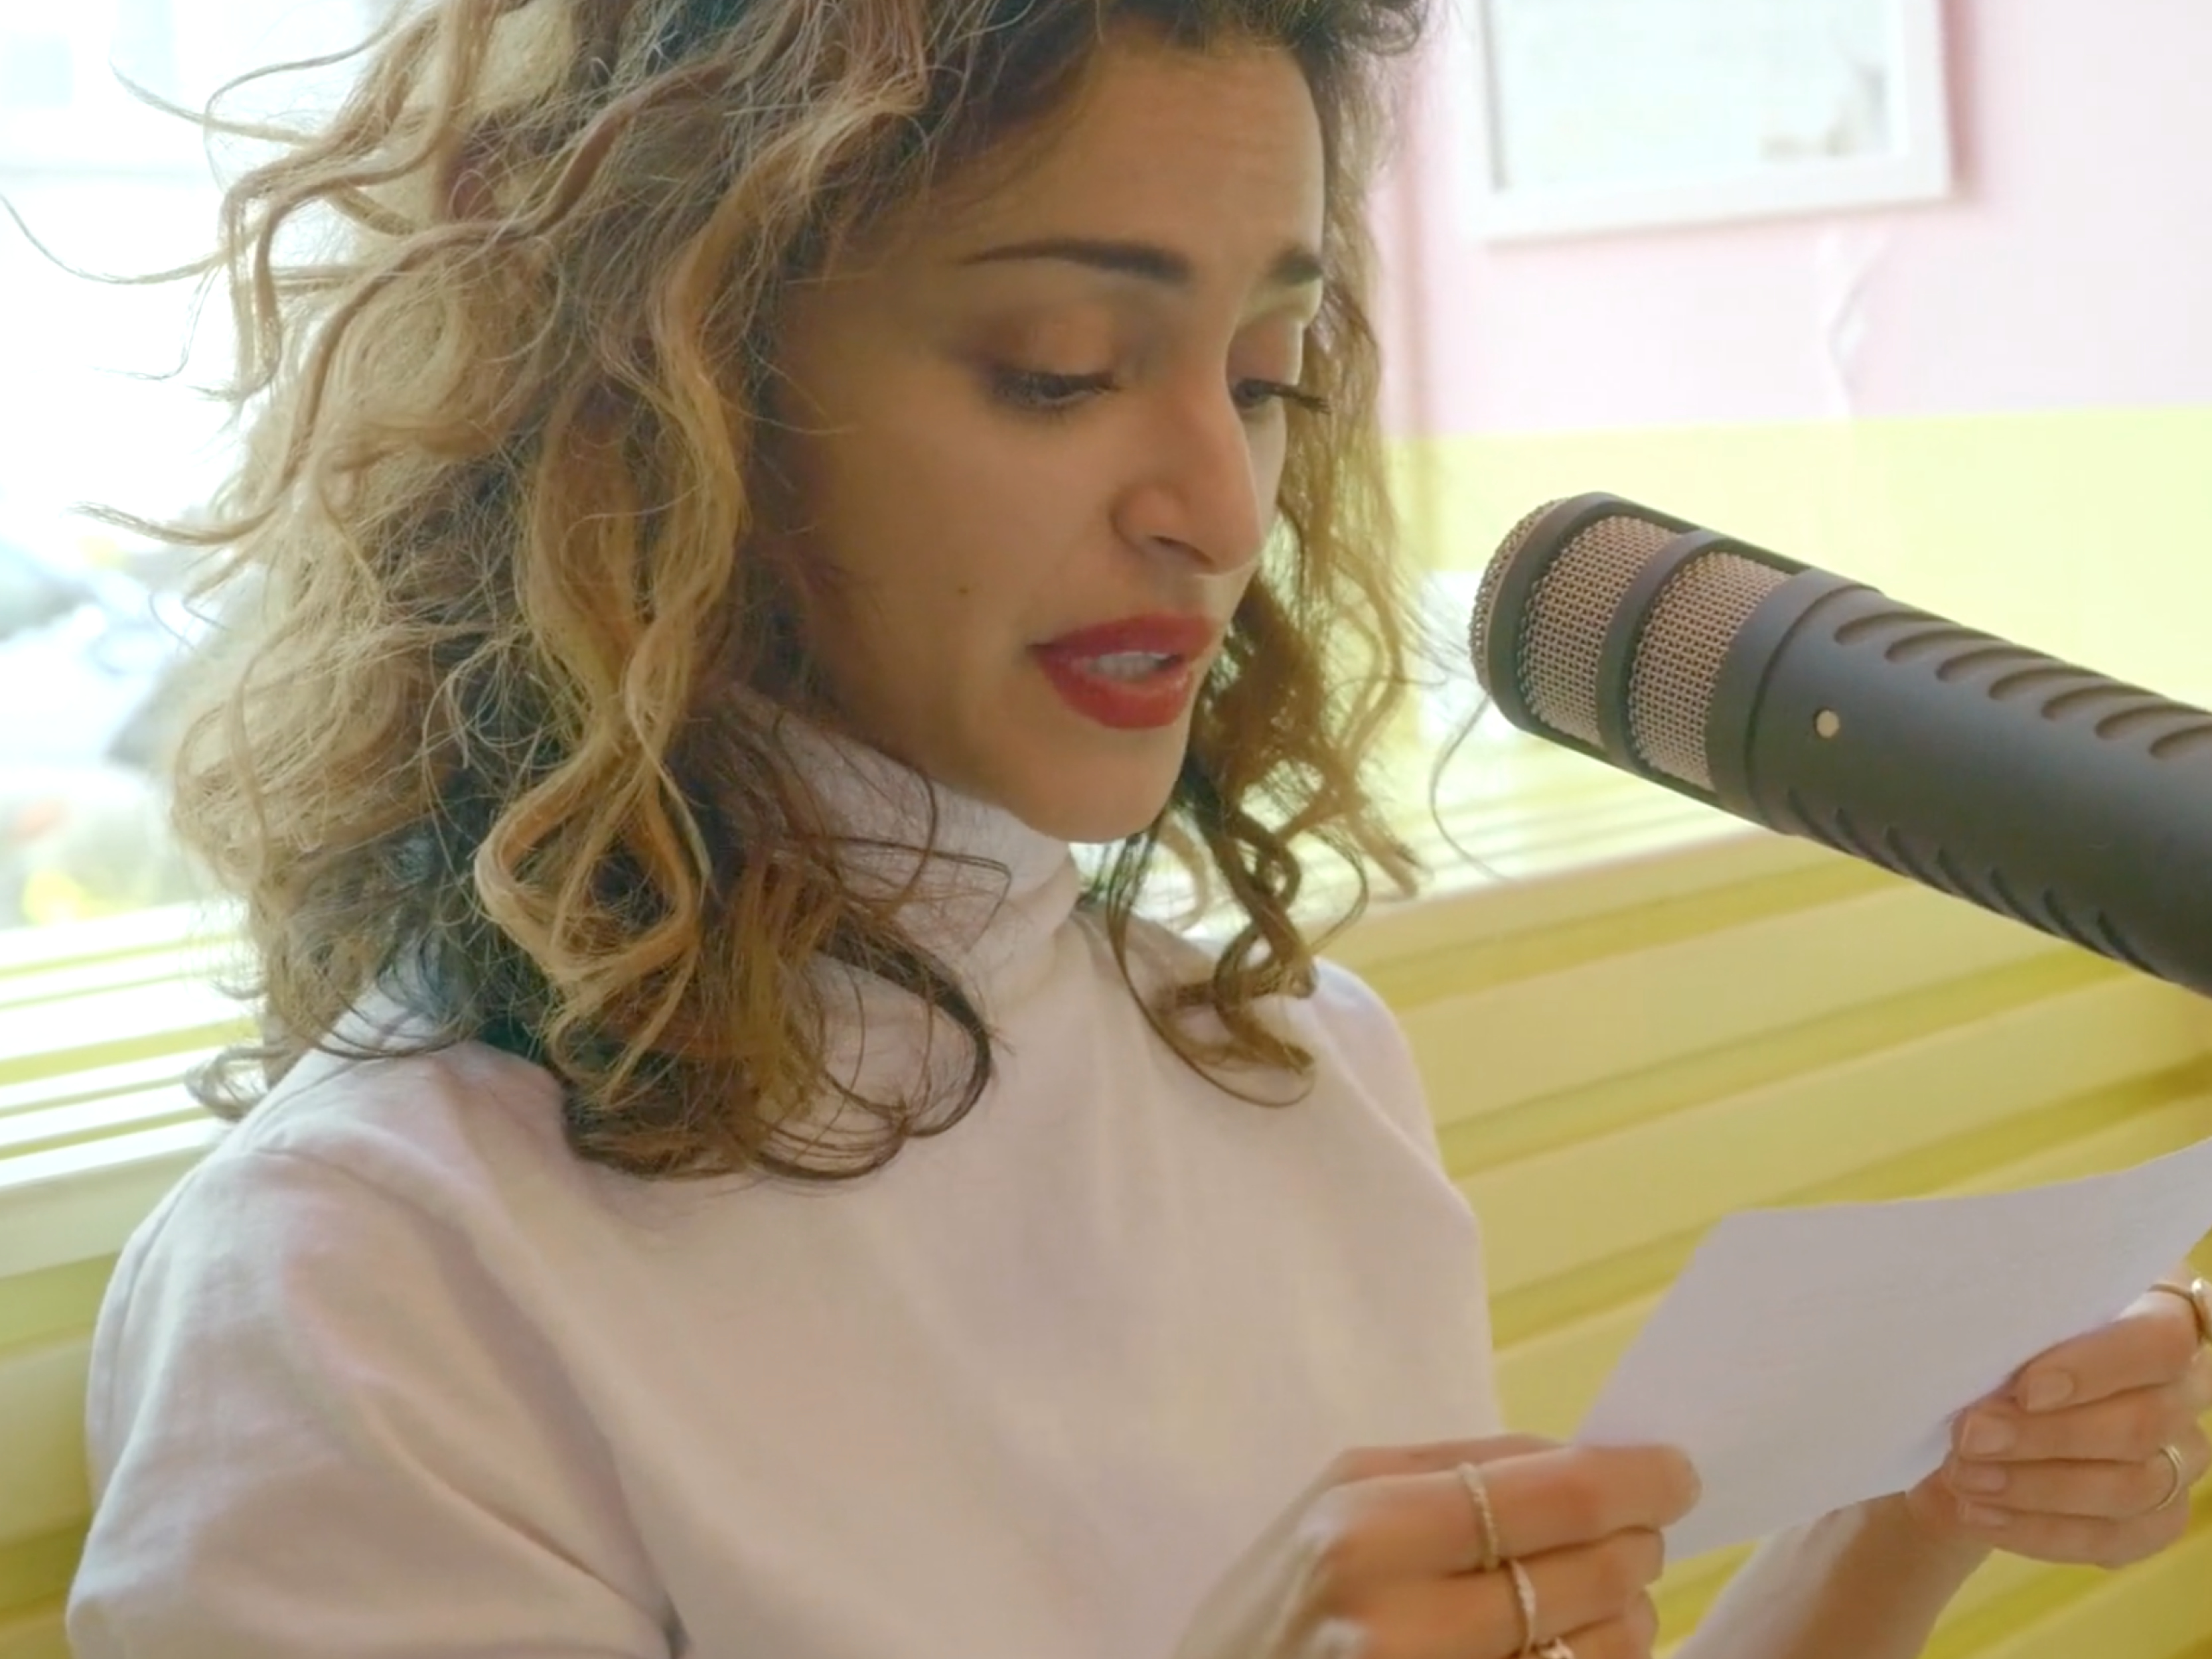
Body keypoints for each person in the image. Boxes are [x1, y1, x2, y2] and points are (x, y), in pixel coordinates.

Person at [66, 1, 2212, 1655]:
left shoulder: (1291, 1072)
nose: (1216, 504)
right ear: (667, 406)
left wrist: (1900, 1510)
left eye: (1264, 373)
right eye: (1061, 365)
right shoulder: (373, 1284)